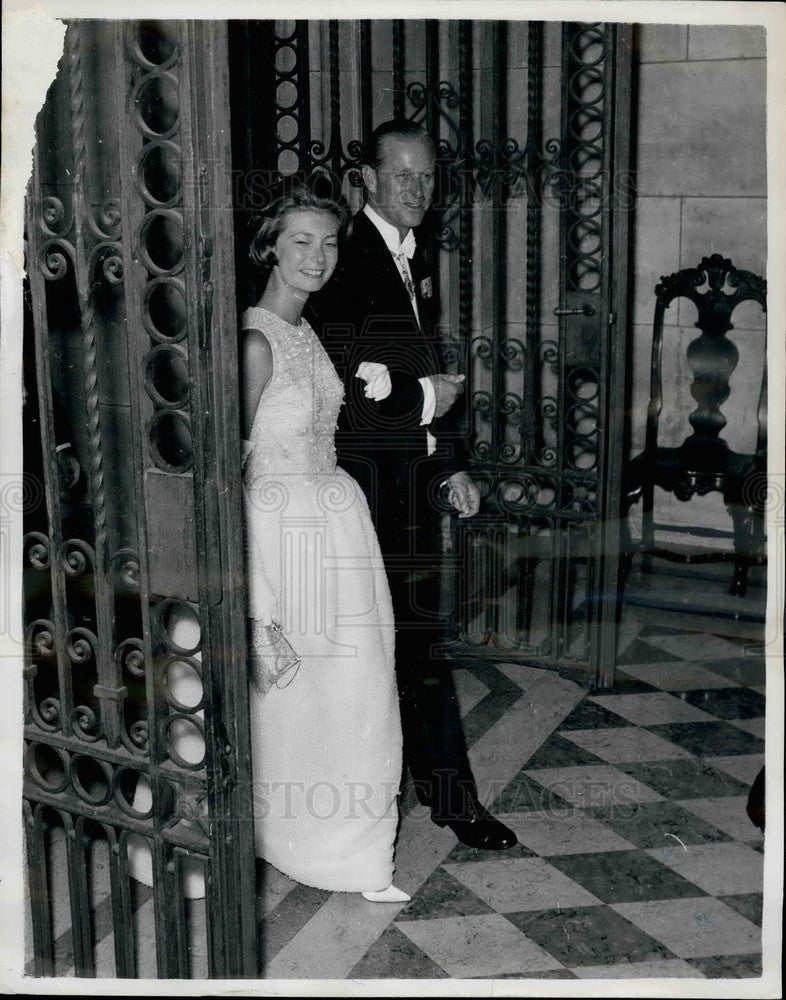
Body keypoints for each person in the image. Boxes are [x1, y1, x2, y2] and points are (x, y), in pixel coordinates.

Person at [307, 119, 517, 851]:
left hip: (405, 484)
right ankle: (430, 801)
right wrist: (430, 401)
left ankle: (443, 793)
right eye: (402, 175)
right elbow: (351, 395)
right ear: (366, 176)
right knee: (394, 647)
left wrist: (450, 460)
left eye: (427, 177)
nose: (417, 190)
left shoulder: (413, 251)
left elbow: (420, 364)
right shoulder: (344, 257)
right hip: (360, 491)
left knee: (415, 643)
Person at [240, 184, 409, 901]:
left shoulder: (306, 331)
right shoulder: (253, 341)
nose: (318, 256)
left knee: (357, 693)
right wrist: (255, 596)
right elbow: (229, 471)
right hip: (284, 534)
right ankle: (288, 836)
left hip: (337, 527)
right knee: (296, 701)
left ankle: (355, 851)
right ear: (270, 247)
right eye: (302, 241)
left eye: (330, 242)